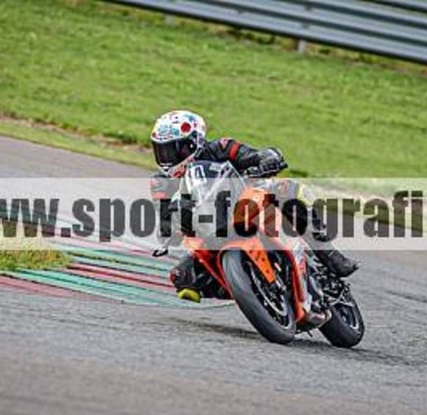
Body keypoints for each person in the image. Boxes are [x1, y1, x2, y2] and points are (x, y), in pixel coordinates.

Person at [149, 110, 358, 306]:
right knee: (181, 277)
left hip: (247, 203)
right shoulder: (161, 183)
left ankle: (328, 253)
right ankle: (249, 287)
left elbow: (255, 155)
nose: (167, 157)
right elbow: (165, 222)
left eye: (174, 149)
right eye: (162, 150)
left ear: (194, 142)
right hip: (208, 232)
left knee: (289, 189)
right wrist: (173, 227)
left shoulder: (221, 147)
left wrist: (267, 160)